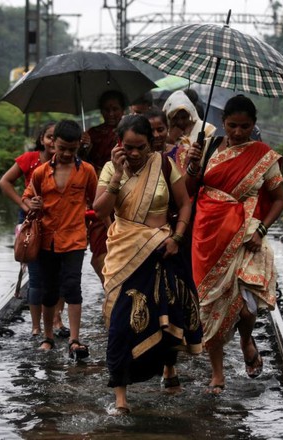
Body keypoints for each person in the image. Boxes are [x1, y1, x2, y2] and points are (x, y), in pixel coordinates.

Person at [93, 115, 203, 414]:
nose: (135, 153)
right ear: (120, 145)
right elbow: (99, 209)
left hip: (163, 251)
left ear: (150, 144)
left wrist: (177, 237)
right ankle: (120, 397)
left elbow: (184, 204)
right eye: (128, 147)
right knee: (120, 324)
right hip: (126, 253)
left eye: (141, 147)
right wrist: (116, 175)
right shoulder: (109, 169)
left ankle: (169, 370)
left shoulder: (165, 165)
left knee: (165, 316)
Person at [185, 95, 283, 393]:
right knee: (210, 305)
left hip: (246, 236)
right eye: (232, 126)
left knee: (244, 306)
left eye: (245, 126)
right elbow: (190, 190)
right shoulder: (209, 148)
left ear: (254, 125)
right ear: (222, 123)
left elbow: (278, 200)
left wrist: (261, 231)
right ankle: (217, 374)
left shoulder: (264, 156)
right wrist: (192, 165)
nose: (238, 132)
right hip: (208, 236)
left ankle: (245, 339)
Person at [22, 120, 98, 357]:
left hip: (74, 238)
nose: (65, 153)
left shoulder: (87, 171)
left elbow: (96, 202)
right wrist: (31, 204)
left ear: (78, 147)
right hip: (47, 239)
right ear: (52, 143)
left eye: (71, 149)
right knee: (49, 290)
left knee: (73, 286)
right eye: (62, 148)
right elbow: (26, 198)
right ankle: (47, 336)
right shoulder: (40, 173)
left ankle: (75, 339)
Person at [0, 122, 69, 339]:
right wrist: (23, 204)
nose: (52, 142)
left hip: (59, 222)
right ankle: (36, 326)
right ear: (42, 139)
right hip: (32, 222)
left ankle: (56, 318)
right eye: (49, 137)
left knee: (60, 275)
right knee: (37, 276)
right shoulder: (30, 159)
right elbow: (5, 182)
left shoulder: (68, 162)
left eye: (56, 138)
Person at [80, 90, 126, 283]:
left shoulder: (130, 132)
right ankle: (109, 287)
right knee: (100, 249)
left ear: (123, 110)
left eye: (115, 109)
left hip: (126, 193)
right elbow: (82, 166)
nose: (111, 114)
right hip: (100, 193)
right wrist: (85, 149)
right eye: (106, 110)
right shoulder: (92, 134)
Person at [162, 90, 216, 172]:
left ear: (190, 114)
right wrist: (171, 140)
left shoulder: (205, 129)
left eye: (184, 117)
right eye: (175, 118)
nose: (180, 122)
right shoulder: (163, 133)